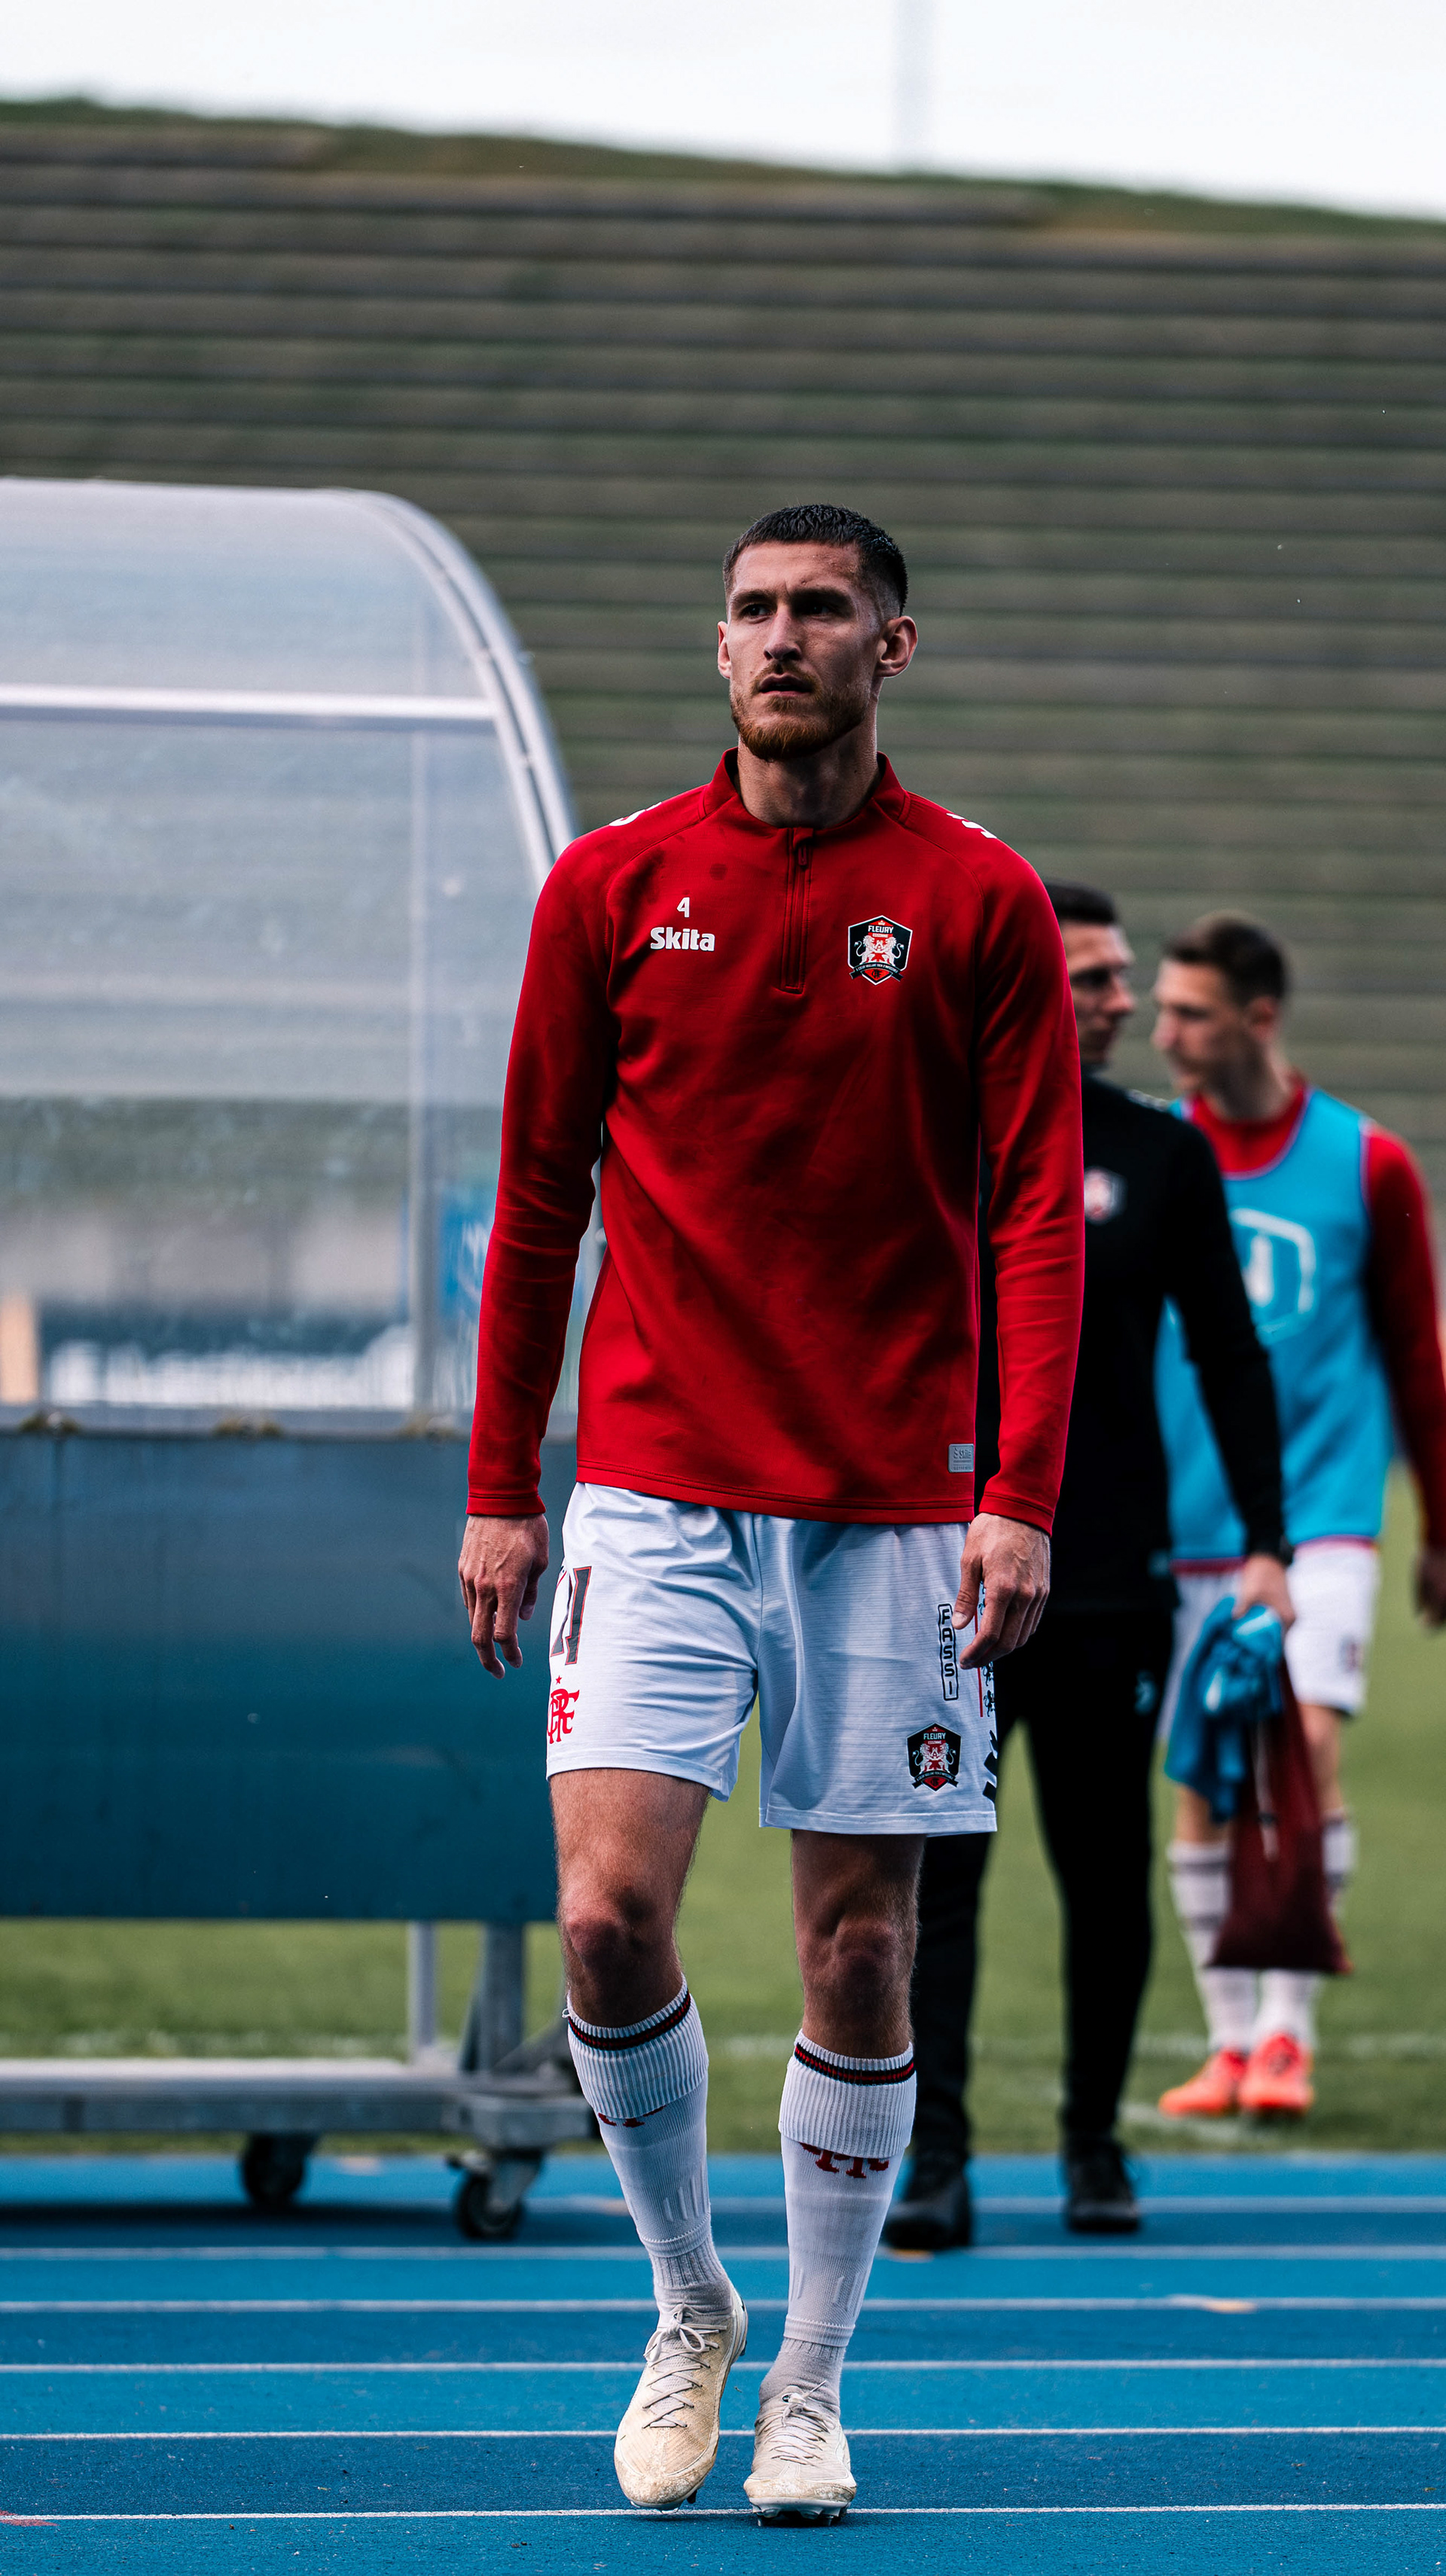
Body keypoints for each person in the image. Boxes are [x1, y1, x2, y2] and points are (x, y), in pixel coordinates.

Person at [458, 501, 1084, 2522]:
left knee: (862, 1955)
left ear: (891, 644)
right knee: (604, 1916)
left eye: (822, 608)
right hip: (650, 1489)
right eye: (752, 609)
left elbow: (1037, 1223)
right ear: (718, 645)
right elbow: (536, 1199)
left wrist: (1018, 1492)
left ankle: (809, 2380)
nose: (781, 635)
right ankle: (690, 2303)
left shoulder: (978, 897)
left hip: (893, 1509)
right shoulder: (610, 886)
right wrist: (502, 1486)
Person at [885, 883, 1291, 2250]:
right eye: (1097, 978)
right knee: (939, 1879)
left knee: (1106, 1873)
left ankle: (1092, 2144)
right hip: (942, 1579)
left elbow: (1229, 1353)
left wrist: (1270, 1542)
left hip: (1110, 1577)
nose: (1124, 1001)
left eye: (1122, 978)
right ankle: (936, 2157)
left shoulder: (1160, 1155)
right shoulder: (932, 1136)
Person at [1153, 913, 1446, 2120]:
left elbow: (1417, 1354)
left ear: (1258, 1019)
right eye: (1162, 1008)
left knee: (1307, 1743)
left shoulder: (1368, 1163)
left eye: (1191, 1013)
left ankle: (1288, 2032)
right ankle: (1229, 2042)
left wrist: (1440, 1522)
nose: (1165, 1033)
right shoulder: (1160, 1156)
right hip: (1188, 1522)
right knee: (1204, 1775)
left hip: (1324, 1514)